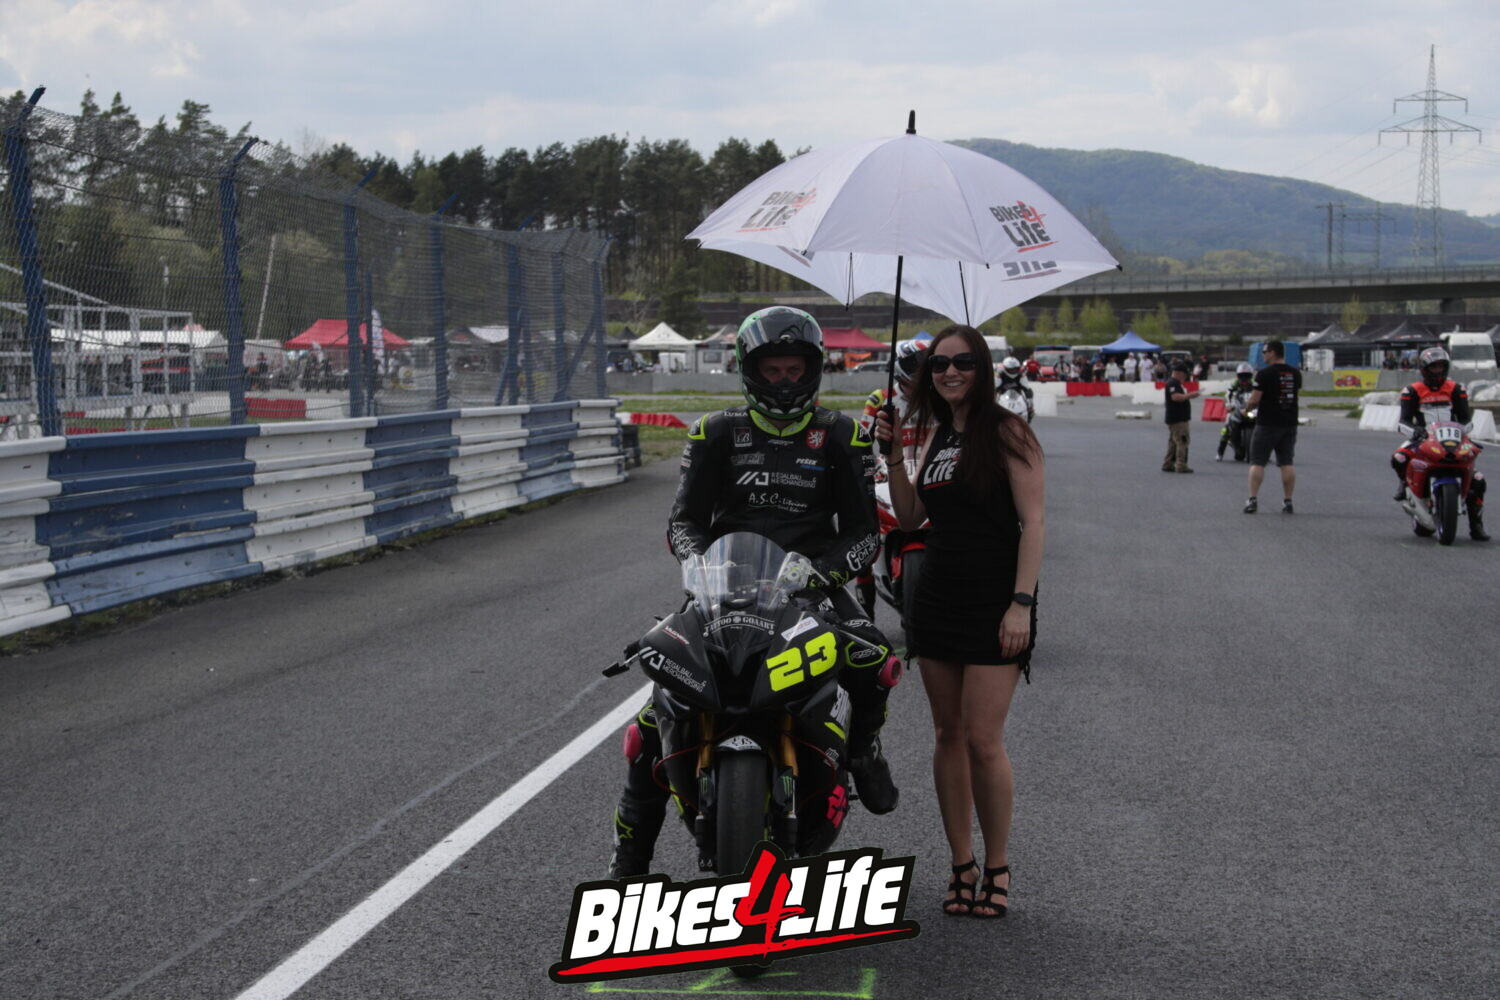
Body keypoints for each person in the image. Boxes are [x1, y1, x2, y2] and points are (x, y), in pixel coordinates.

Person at [608, 306, 900, 878]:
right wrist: (698, 565)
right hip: (723, 585)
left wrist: (820, 574)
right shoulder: (714, 432)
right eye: (773, 370)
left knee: (875, 658)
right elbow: (683, 522)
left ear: (813, 369)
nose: (785, 382)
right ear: (749, 369)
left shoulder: (844, 434)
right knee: (648, 726)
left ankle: (863, 747)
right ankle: (627, 865)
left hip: (813, 588)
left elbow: (866, 534)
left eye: (795, 370)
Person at [873, 325, 1044, 920]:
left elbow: (1034, 523)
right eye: (939, 364)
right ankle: (961, 863)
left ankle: (997, 866)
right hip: (936, 599)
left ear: (983, 368)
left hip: (995, 599)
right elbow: (910, 516)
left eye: (963, 362)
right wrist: (894, 455)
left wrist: (1021, 603)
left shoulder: (1009, 431)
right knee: (946, 735)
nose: (949, 372)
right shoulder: (939, 435)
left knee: (982, 740)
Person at [855, 338, 932, 619]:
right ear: (901, 366)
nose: (921, 372)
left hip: (928, 471)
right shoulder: (881, 398)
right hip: (889, 469)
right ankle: (864, 602)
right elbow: (861, 439)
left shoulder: (940, 398)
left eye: (926, 365)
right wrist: (865, 465)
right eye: (915, 365)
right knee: (860, 529)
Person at [1390, 346, 1488, 539]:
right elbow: (1403, 422)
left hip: (1453, 439)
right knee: (1398, 458)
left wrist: (1463, 429)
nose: (1438, 371)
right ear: (1424, 368)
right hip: (1423, 438)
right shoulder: (1412, 390)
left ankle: (1476, 526)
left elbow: (1466, 419)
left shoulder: (1457, 389)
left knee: (1478, 480)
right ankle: (1404, 483)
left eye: (1441, 366)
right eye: (1434, 367)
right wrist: (1416, 431)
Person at [1242, 340, 1301, 514]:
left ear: (1273, 352)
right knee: (1286, 462)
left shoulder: (1264, 374)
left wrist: (1247, 410)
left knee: (1258, 462)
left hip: (1267, 423)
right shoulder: (1295, 373)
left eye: (1265, 352)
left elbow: (1254, 400)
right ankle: (1288, 501)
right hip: (1289, 423)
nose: (1263, 355)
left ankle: (1252, 499)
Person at [1161, 362, 1200, 473]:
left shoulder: (1174, 383)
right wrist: (1190, 395)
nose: (1185, 378)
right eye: (1184, 375)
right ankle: (1181, 464)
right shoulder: (1173, 383)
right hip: (1178, 418)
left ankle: (1168, 463)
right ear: (1179, 373)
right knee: (1182, 441)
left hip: (1176, 417)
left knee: (1173, 441)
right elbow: (1175, 397)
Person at [1216, 363, 1256, 461]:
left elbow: (1262, 395)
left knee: (1265, 427)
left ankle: (1265, 453)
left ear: (1251, 376)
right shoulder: (1234, 384)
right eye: (1242, 376)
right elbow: (1227, 395)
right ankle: (1220, 452)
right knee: (1226, 427)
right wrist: (1228, 405)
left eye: (1247, 376)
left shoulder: (1255, 384)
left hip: (1250, 408)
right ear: (1238, 376)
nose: (1244, 378)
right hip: (1237, 407)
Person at [995, 356, 1035, 422]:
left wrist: (1030, 405)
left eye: (1015, 369)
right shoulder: (1000, 375)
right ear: (1005, 368)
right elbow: (995, 388)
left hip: (1018, 397)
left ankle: (1029, 410)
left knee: (1029, 392)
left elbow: (1026, 388)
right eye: (1011, 369)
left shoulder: (1021, 375)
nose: (1013, 371)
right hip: (1003, 396)